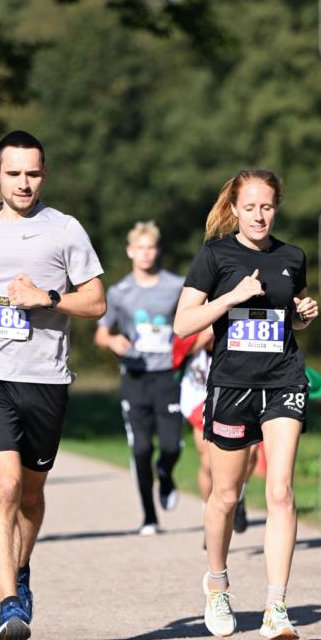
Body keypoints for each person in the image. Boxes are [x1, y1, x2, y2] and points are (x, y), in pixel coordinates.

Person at [0, 130, 106, 640]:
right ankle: (9, 603)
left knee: (31, 494)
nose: (23, 183)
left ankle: (22, 566)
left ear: (44, 174)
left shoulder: (65, 230)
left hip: (45, 377)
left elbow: (96, 301)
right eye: (13, 173)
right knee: (5, 486)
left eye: (33, 173)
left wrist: (46, 297)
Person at [174, 169, 318, 640]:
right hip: (231, 385)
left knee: (280, 491)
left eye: (267, 206)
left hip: (283, 380)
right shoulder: (214, 255)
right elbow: (183, 325)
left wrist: (302, 315)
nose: (259, 215)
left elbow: (287, 317)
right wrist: (232, 297)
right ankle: (217, 585)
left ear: (277, 207)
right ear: (235, 209)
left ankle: (276, 606)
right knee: (225, 496)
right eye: (250, 207)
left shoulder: (292, 256)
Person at [95, 221, 185, 534]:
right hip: (135, 377)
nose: (146, 253)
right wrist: (112, 341)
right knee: (141, 449)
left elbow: (192, 321)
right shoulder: (119, 292)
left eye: (151, 247)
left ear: (157, 251)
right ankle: (149, 516)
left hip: (168, 377)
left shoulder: (177, 286)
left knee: (171, 446)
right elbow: (101, 334)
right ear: (130, 251)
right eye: (140, 248)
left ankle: (166, 473)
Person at [173, 329, 256, 539]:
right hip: (199, 401)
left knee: (252, 454)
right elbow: (180, 349)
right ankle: (209, 519)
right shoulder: (200, 330)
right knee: (208, 463)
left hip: (238, 396)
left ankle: (239, 496)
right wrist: (211, 328)